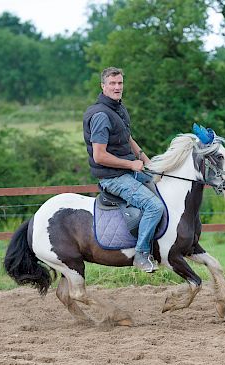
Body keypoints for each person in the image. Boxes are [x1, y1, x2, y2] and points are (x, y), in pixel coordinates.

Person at [82, 67, 164, 273]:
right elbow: (99, 156)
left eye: (120, 83)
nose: (117, 87)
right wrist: (131, 164)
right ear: (103, 86)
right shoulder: (101, 115)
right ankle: (141, 254)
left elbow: (126, 137)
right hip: (113, 177)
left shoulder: (117, 108)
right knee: (154, 206)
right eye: (112, 83)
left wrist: (146, 160)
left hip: (128, 170)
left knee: (163, 184)